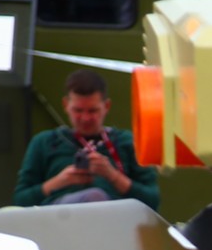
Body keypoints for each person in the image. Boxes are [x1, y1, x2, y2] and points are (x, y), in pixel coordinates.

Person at [13, 69, 158, 210]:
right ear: (65, 105)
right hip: (58, 219)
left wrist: (112, 176)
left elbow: (153, 201)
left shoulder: (127, 142)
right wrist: (60, 181)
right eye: (78, 110)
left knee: (95, 196)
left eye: (93, 110)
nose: (85, 118)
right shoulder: (44, 142)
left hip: (114, 219)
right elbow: (21, 201)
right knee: (94, 196)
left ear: (106, 106)